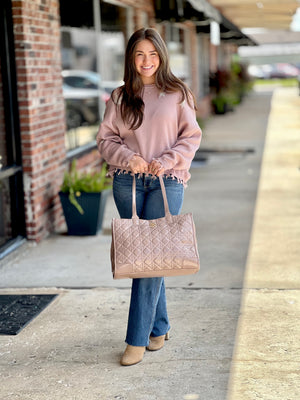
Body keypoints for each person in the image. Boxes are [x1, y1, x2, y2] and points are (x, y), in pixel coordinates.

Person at [96, 27, 202, 366]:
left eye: (152, 54)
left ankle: (136, 340)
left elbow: (191, 138)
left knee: (148, 260)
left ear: (162, 56)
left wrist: (165, 161)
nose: (146, 61)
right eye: (140, 54)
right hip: (127, 182)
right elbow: (106, 141)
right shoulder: (119, 96)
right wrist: (131, 159)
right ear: (130, 57)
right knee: (145, 256)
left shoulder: (177, 93)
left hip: (167, 181)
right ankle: (160, 327)